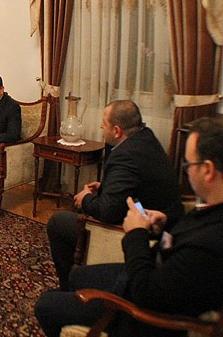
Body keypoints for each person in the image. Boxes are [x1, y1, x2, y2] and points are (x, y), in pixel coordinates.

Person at [35, 117, 223, 336]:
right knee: (76, 277)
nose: (186, 171)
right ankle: (69, 302)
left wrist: (136, 233)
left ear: (207, 170)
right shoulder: (211, 208)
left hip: (141, 309)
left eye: (188, 165)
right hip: (150, 272)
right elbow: (184, 235)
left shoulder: (209, 244)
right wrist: (165, 223)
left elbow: (146, 293)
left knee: (45, 304)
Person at [46, 100, 184, 291]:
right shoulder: (146, 138)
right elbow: (135, 185)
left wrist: (85, 198)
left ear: (117, 130)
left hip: (145, 231)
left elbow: (108, 211)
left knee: (58, 222)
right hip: (156, 216)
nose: (101, 126)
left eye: (104, 123)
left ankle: (68, 287)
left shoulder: (124, 156)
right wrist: (105, 187)